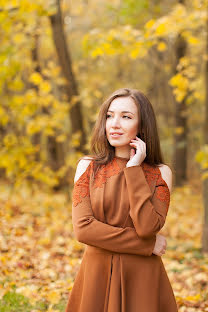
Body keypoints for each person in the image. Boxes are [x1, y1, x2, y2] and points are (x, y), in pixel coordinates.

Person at [65, 88, 178, 312]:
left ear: (143, 126)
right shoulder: (87, 166)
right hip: (96, 275)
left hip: (142, 278)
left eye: (126, 117)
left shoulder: (160, 173)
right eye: (110, 115)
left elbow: (147, 226)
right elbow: (84, 230)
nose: (114, 124)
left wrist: (134, 168)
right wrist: (147, 245)